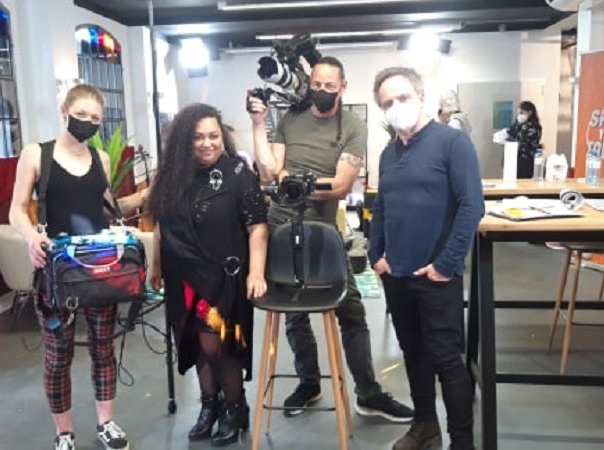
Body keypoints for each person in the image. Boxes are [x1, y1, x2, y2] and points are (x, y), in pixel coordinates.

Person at [248, 55, 414, 422]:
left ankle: (369, 393)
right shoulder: (290, 119)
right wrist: (258, 126)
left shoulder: (353, 125)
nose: (322, 90)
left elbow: (339, 186)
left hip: (322, 232)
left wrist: (293, 180)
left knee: (351, 310)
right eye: (316, 84)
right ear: (309, 84)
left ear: (342, 87)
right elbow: (269, 173)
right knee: (294, 315)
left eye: (329, 85)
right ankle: (309, 383)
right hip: (280, 228)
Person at [9, 84, 141, 450]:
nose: (87, 122)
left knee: (103, 349)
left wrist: (133, 214)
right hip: (56, 270)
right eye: (81, 115)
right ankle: (64, 433)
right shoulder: (36, 154)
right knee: (58, 356)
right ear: (64, 111)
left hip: (99, 267)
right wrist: (31, 238)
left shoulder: (101, 159)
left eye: (95, 118)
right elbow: (16, 209)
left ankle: (107, 423)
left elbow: (107, 208)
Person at [370, 67, 484, 450]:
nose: (396, 106)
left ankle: (462, 442)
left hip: (437, 276)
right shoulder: (388, 154)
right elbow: (381, 206)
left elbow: (472, 206)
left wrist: (446, 264)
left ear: (420, 97)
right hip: (397, 275)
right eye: (387, 102)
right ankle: (425, 425)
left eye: (402, 97)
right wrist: (376, 254)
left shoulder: (452, 143)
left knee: (448, 361)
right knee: (414, 354)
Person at [147, 103, 268, 446]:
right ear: (185, 140)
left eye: (213, 136)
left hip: (223, 278)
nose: (207, 143)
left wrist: (256, 272)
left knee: (218, 345)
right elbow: (161, 226)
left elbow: (258, 227)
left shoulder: (239, 173)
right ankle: (209, 404)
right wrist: (156, 265)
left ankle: (235, 405)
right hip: (182, 277)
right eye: (198, 137)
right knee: (193, 342)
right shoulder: (170, 177)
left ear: (222, 136)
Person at [505, 100, 542, 179]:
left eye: (522, 113)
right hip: (513, 159)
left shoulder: (533, 127)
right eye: (518, 113)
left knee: (522, 181)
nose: (519, 115)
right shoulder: (517, 125)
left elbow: (525, 142)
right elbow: (510, 133)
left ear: (530, 112)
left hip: (525, 161)